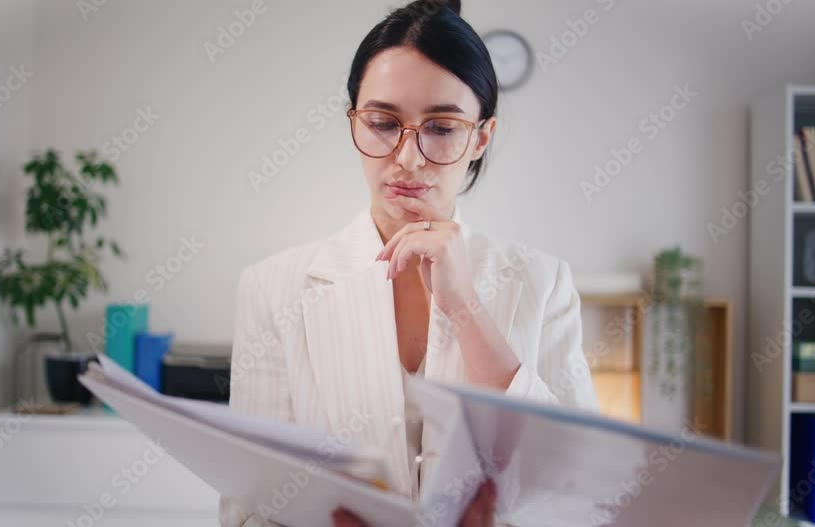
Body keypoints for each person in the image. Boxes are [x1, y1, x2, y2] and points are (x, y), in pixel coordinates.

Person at [219, 1, 598, 525]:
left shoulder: (542, 283)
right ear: (354, 118)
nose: (408, 158)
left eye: (441, 128)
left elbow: (581, 492)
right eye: (382, 123)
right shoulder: (273, 288)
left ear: (480, 136)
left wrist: (465, 308)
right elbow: (248, 512)